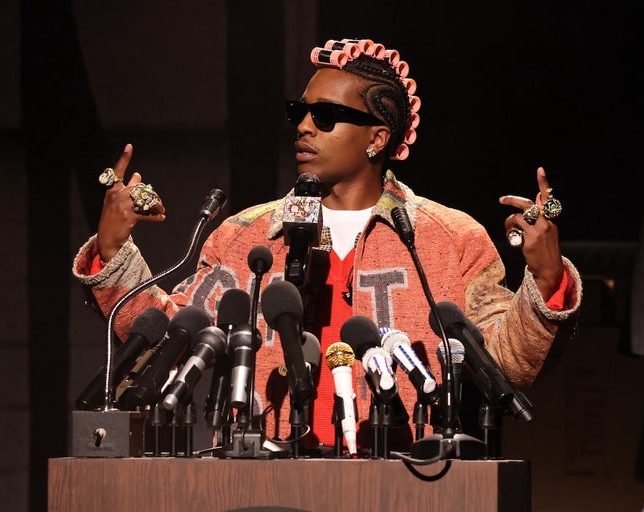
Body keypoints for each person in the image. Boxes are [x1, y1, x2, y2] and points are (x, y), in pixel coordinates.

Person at [73, 37, 581, 450]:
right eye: (300, 111)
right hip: (259, 482)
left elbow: (507, 362)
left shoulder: (448, 240)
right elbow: (167, 341)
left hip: (404, 484)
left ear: (377, 138)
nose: (303, 126)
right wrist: (113, 250)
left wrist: (547, 279)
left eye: (325, 116)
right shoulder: (247, 235)